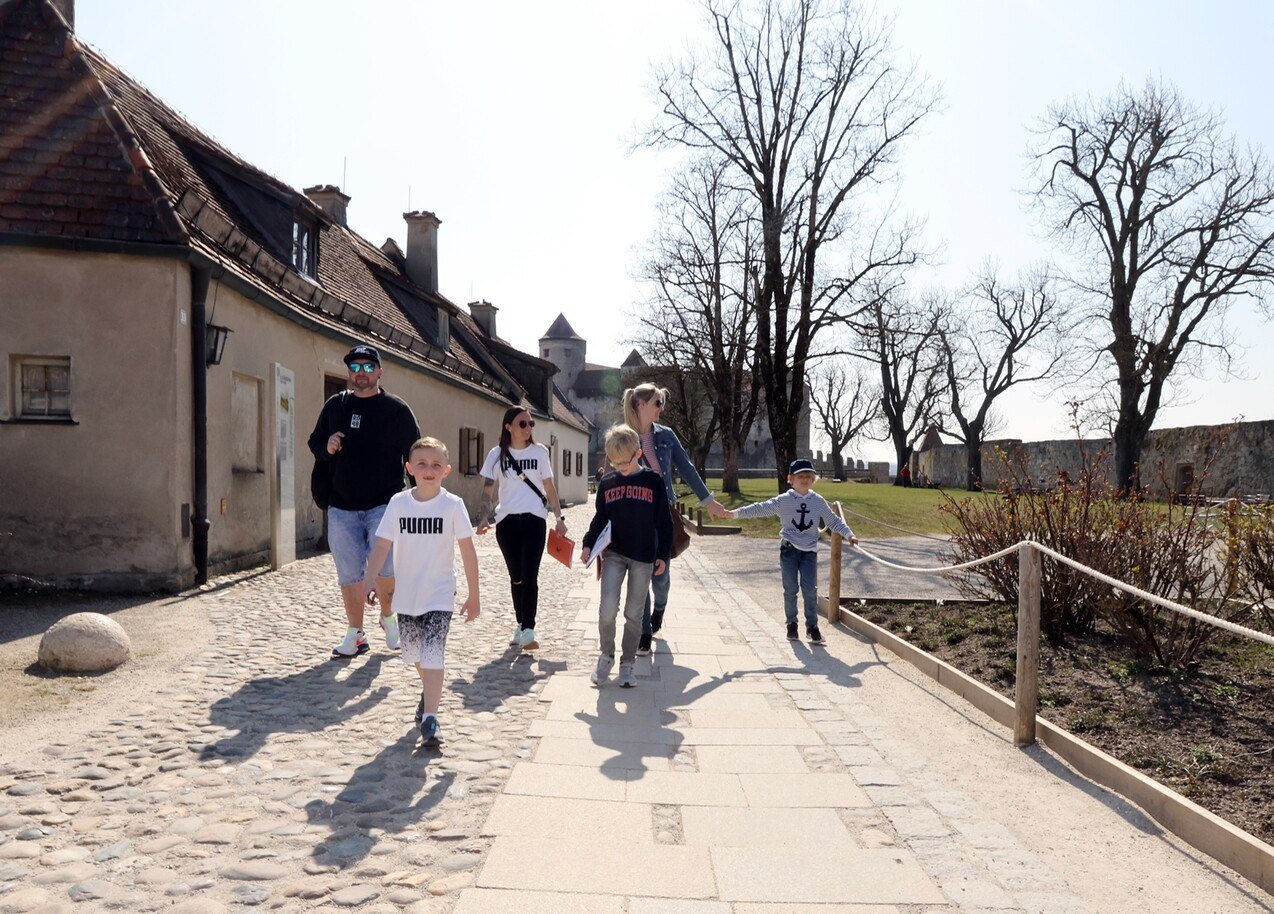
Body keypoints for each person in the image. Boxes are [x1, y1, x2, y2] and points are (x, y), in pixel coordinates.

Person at [362, 437, 479, 748]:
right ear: (409, 468)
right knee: (413, 653)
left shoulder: (453, 505)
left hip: (440, 593)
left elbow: (467, 550)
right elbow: (382, 545)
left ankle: (430, 719)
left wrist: (474, 594)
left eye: (436, 465)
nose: (429, 470)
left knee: (432, 652)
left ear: (447, 470)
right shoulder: (398, 504)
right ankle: (429, 692)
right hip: (407, 595)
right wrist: (369, 579)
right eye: (422, 464)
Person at [307, 345, 420, 659]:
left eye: (369, 368)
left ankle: (389, 617)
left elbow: (415, 456)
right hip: (341, 505)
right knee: (350, 573)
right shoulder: (336, 406)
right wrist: (325, 446)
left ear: (380, 373)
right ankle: (356, 633)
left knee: (384, 567)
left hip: (385, 504)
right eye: (355, 367)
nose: (361, 373)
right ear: (349, 373)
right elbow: (314, 441)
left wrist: (420, 500)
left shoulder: (396, 410)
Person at [622, 383, 729, 654]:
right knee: (640, 574)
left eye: (662, 403)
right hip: (635, 516)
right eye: (657, 403)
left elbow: (687, 468)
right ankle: (644, 632)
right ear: (640, 405)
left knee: (661, 578)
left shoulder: (666, 436)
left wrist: (708, 501)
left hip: (663, 513)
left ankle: (660, 607)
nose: (661, 409)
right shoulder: (624, 437)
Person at [729, 458, 857, 645]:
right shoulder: (784, 500)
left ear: (813, 479)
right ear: (791, 479)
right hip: (789, 550)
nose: (804, 479)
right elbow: (760, 508)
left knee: (810, 591)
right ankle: (791, 624)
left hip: (809, 553)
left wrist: (849, 534)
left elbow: (833, 521)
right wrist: (734, 513)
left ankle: (812, 627)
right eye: (800, 476)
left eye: (808, 476)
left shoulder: (818, 501)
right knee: (790, 590)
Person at [581, 425, 671, 688]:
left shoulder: (653, 482)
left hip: (643, 557)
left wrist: (663, 554)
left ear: (639, 453)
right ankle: (606, 655)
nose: (620, 467)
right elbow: (600, 518)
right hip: (615, 554)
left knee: (634, 613)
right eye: (615, 462)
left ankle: (628, 663)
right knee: (607, 609)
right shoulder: (607, 483)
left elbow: (664, 522)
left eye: (625, 461)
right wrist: (588, 544)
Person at [475, 406, 567, 651]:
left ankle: (529, 628)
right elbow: (488, 489)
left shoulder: (540, 452)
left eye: (531, 424)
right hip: (506, 522)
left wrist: (559, 518)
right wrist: (484, 517)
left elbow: (549, 486)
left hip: (534, 519)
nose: (528, 428)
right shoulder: (497, 454)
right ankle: (520, 623)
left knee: (530, 576)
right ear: (509, 427)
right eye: (523, 424)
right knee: (516, 576)